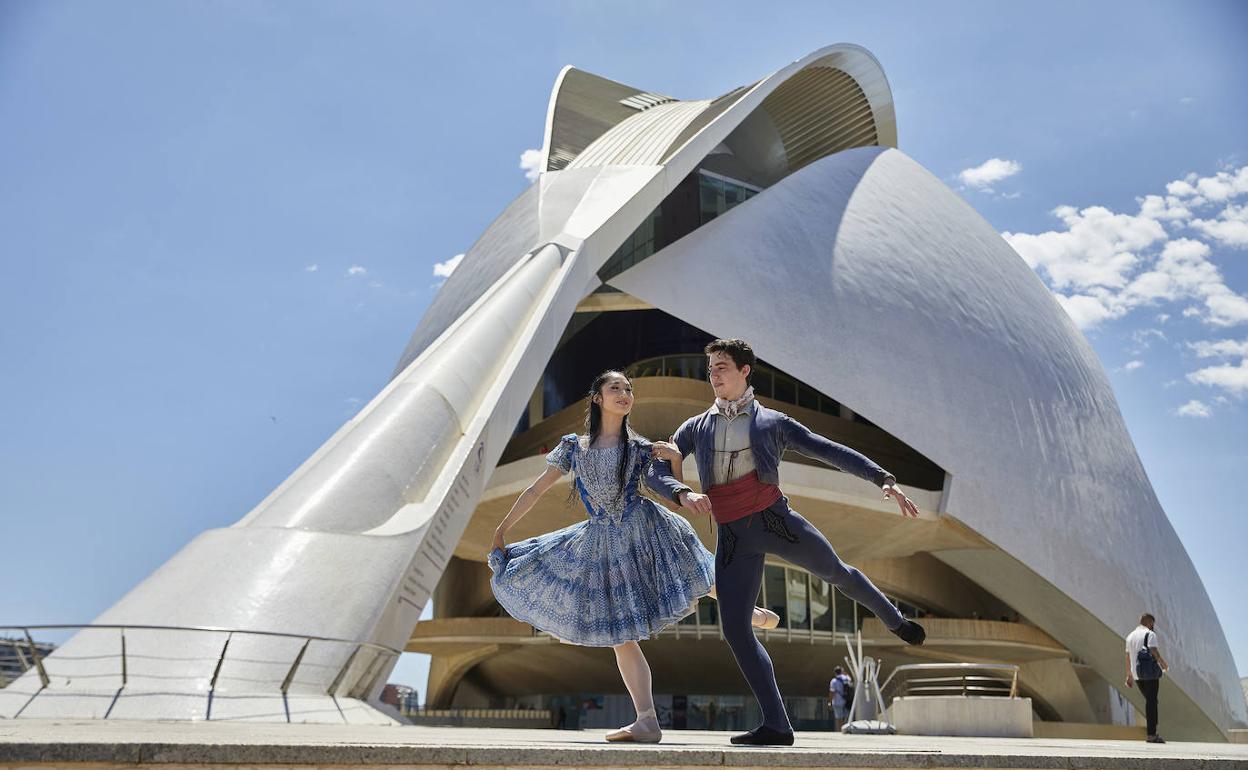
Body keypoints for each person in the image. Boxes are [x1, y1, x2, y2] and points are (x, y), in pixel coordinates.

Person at [647, 339, 928, 746]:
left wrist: (882, 478)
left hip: (776, 521)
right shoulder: (694, 427)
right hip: (732, 536)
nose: (714, 375)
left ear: (745, 371)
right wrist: (682, 493)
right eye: (710, 369)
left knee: (835, 572)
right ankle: (777, 726)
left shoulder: (773, 423)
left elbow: (828, 450)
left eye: (722, 366)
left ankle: (895, 620)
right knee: (736, 630)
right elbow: (658, 467)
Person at [489, 370, 775, 743]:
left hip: (645, 527)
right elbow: (534, 491)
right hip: (603, 542)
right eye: (615, 388)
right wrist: (501, 530)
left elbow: (664, 483)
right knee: (621, 634)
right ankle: (646, 720)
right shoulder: (574, 447)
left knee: (690, 575)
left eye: (629, 389)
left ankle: (746, 612)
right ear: (597, 398)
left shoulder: (639, 448)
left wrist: (676, 466)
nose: (625, 394)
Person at [1125, 612, 1169, 743]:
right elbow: (1153, 650)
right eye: (1153, 624)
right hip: (1150, 674)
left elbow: (1127, 657)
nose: (1153, 627)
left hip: (1138, 675)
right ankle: (1152, 735)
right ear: (1150, 623)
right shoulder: (1150, 634)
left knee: (1151, 701)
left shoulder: (1130, 636)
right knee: (1151, 702)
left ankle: (1153, 731)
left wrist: (1129, 675)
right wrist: (1163, 664)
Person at [828, 666, 853, 731]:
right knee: (846, 717)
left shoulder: (834, 681)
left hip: (837, 701)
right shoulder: (847, 679)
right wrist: (844, 672)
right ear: (841, 672)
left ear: (835, 673)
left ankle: (840, 731)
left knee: (839, 718)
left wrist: (830, 702)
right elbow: (849, 677)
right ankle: (847, 730)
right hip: (847, 701)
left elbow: (832, 692)